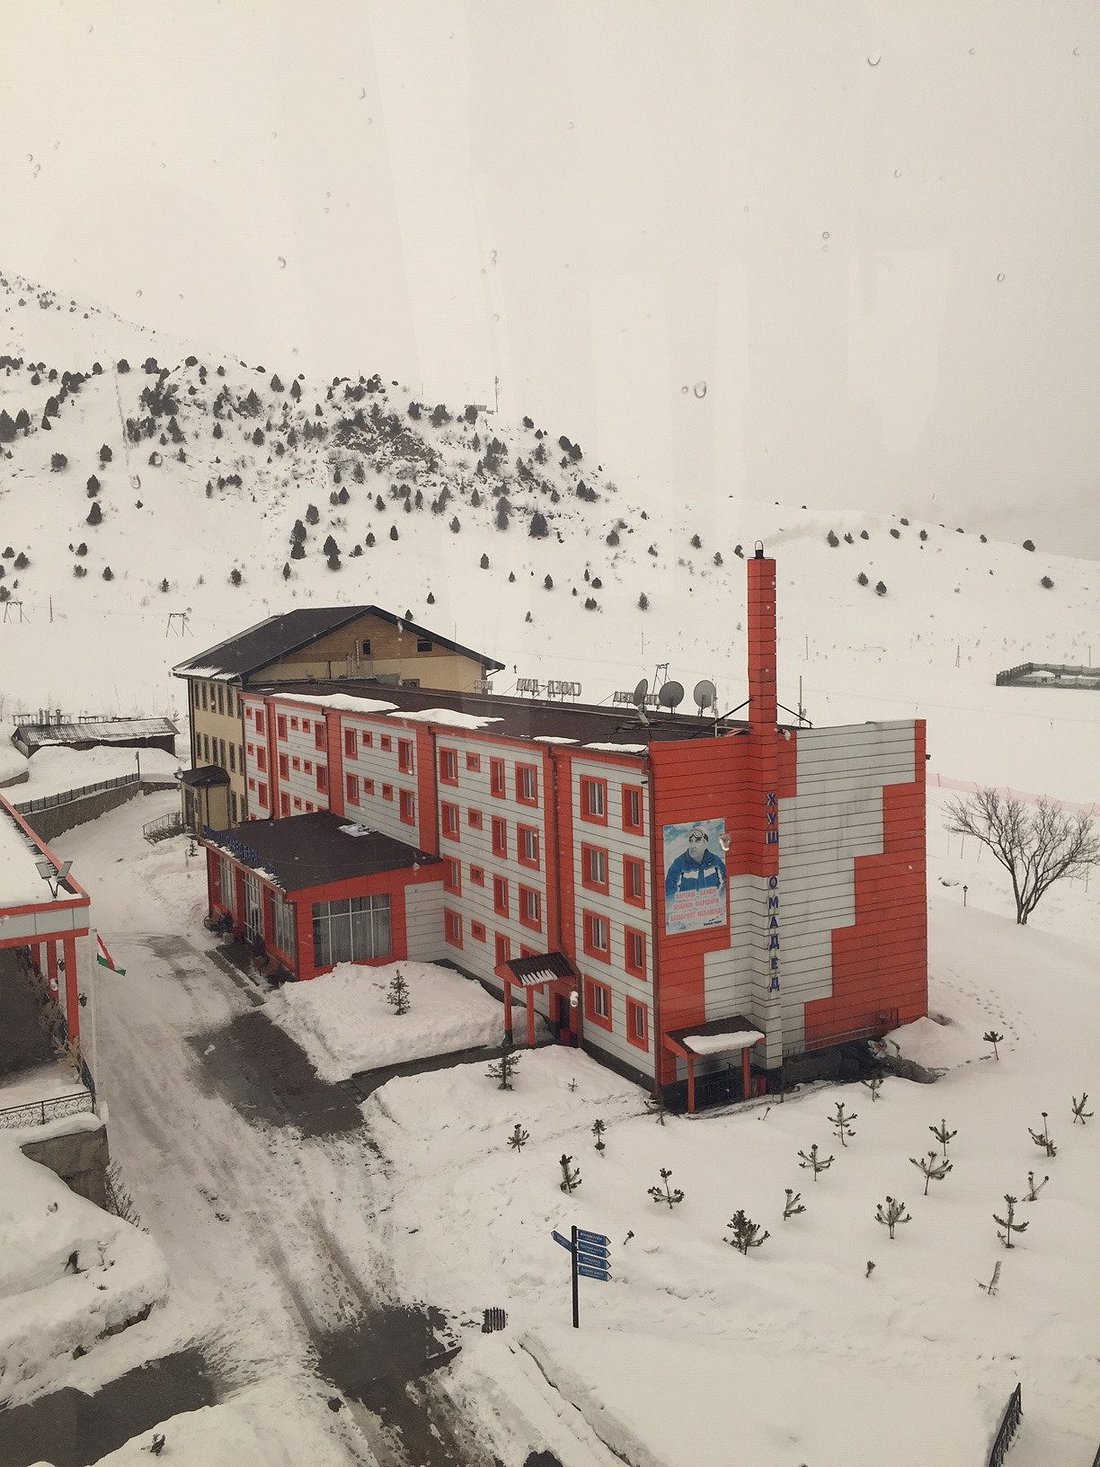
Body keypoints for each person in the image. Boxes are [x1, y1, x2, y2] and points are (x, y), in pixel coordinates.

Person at [665, 826, 726, 901]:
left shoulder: (715, 861)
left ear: (705, 844)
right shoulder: (679, 863)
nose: (692, 846)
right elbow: (670, 892)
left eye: (697, 841)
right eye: (691, 841)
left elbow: (726, 881)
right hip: (688, 907)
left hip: (711, 905)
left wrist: (720, 900)